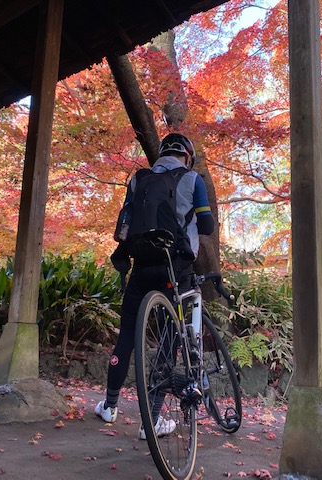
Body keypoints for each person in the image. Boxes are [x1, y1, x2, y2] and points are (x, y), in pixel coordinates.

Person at [95, 133, 214, 439]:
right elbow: (208, 226)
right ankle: (153, 420)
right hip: (176, 268)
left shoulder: (139, 180)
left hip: (141, 266)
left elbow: (124, 223)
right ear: (188, 156)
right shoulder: (192, 179)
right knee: (169, 339)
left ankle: (109, 406)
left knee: (127, 337)